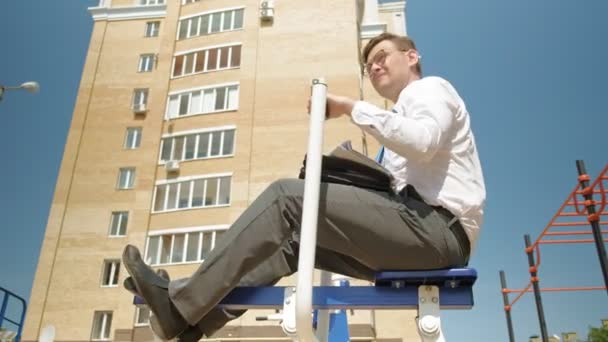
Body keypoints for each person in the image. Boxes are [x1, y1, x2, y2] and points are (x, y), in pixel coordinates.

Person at [122, 32, 486, 341]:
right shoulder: (396, 120)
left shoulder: (428, 89)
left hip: (437, 232)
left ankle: (178, 303)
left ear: (411, 56)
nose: (374, 67)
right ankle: (195, 322)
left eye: (382, 56)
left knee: (286, 197)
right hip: (416, 235)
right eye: (368, 65)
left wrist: (348, 107)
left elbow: (423, 142)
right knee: (296, 243)